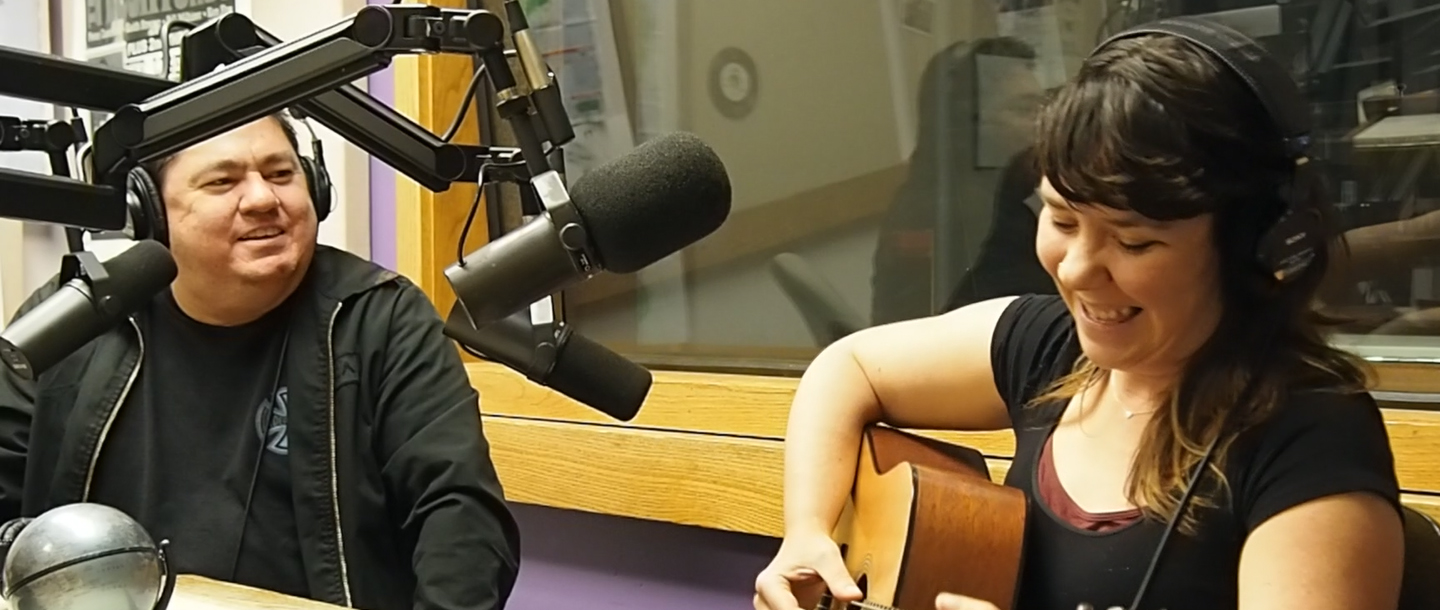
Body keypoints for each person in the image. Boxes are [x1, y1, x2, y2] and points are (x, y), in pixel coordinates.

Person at [754, 19, 1405, 610]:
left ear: (1257, 244)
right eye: (1061, 220)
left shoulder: (1310, 440)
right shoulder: (1049, 350)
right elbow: (848, 366)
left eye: (1134, 241)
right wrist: (808, 532)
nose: (1074, 269)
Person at [0, 113, 521, 610]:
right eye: (223, 182)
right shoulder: (72, 325)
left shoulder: (377, 317)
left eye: (280, 173)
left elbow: (462, 515)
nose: (263, 199)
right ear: (150, 213)